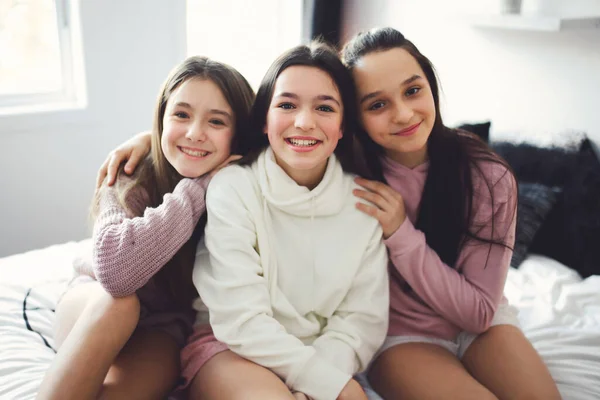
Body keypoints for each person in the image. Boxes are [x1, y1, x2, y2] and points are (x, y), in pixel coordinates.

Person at [342, 27, 561, 400]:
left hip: (481, 324)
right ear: (356, 117)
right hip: (398, 337)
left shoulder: (486, 174)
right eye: (377, 104)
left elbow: (478, 313)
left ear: (431, 86)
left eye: (413, 90)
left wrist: (400, 234)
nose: (404, 113)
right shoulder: (347, 178)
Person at [36, 56, 255, 400]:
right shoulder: (129, 173)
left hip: (163, 326)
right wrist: (198, 186)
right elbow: (116, 274)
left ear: (239, 135)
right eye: (181, 115)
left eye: (216, 121)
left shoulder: (246, 184)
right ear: (161, 119)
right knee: (120, 305)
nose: (195, 132)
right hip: (96, 300)